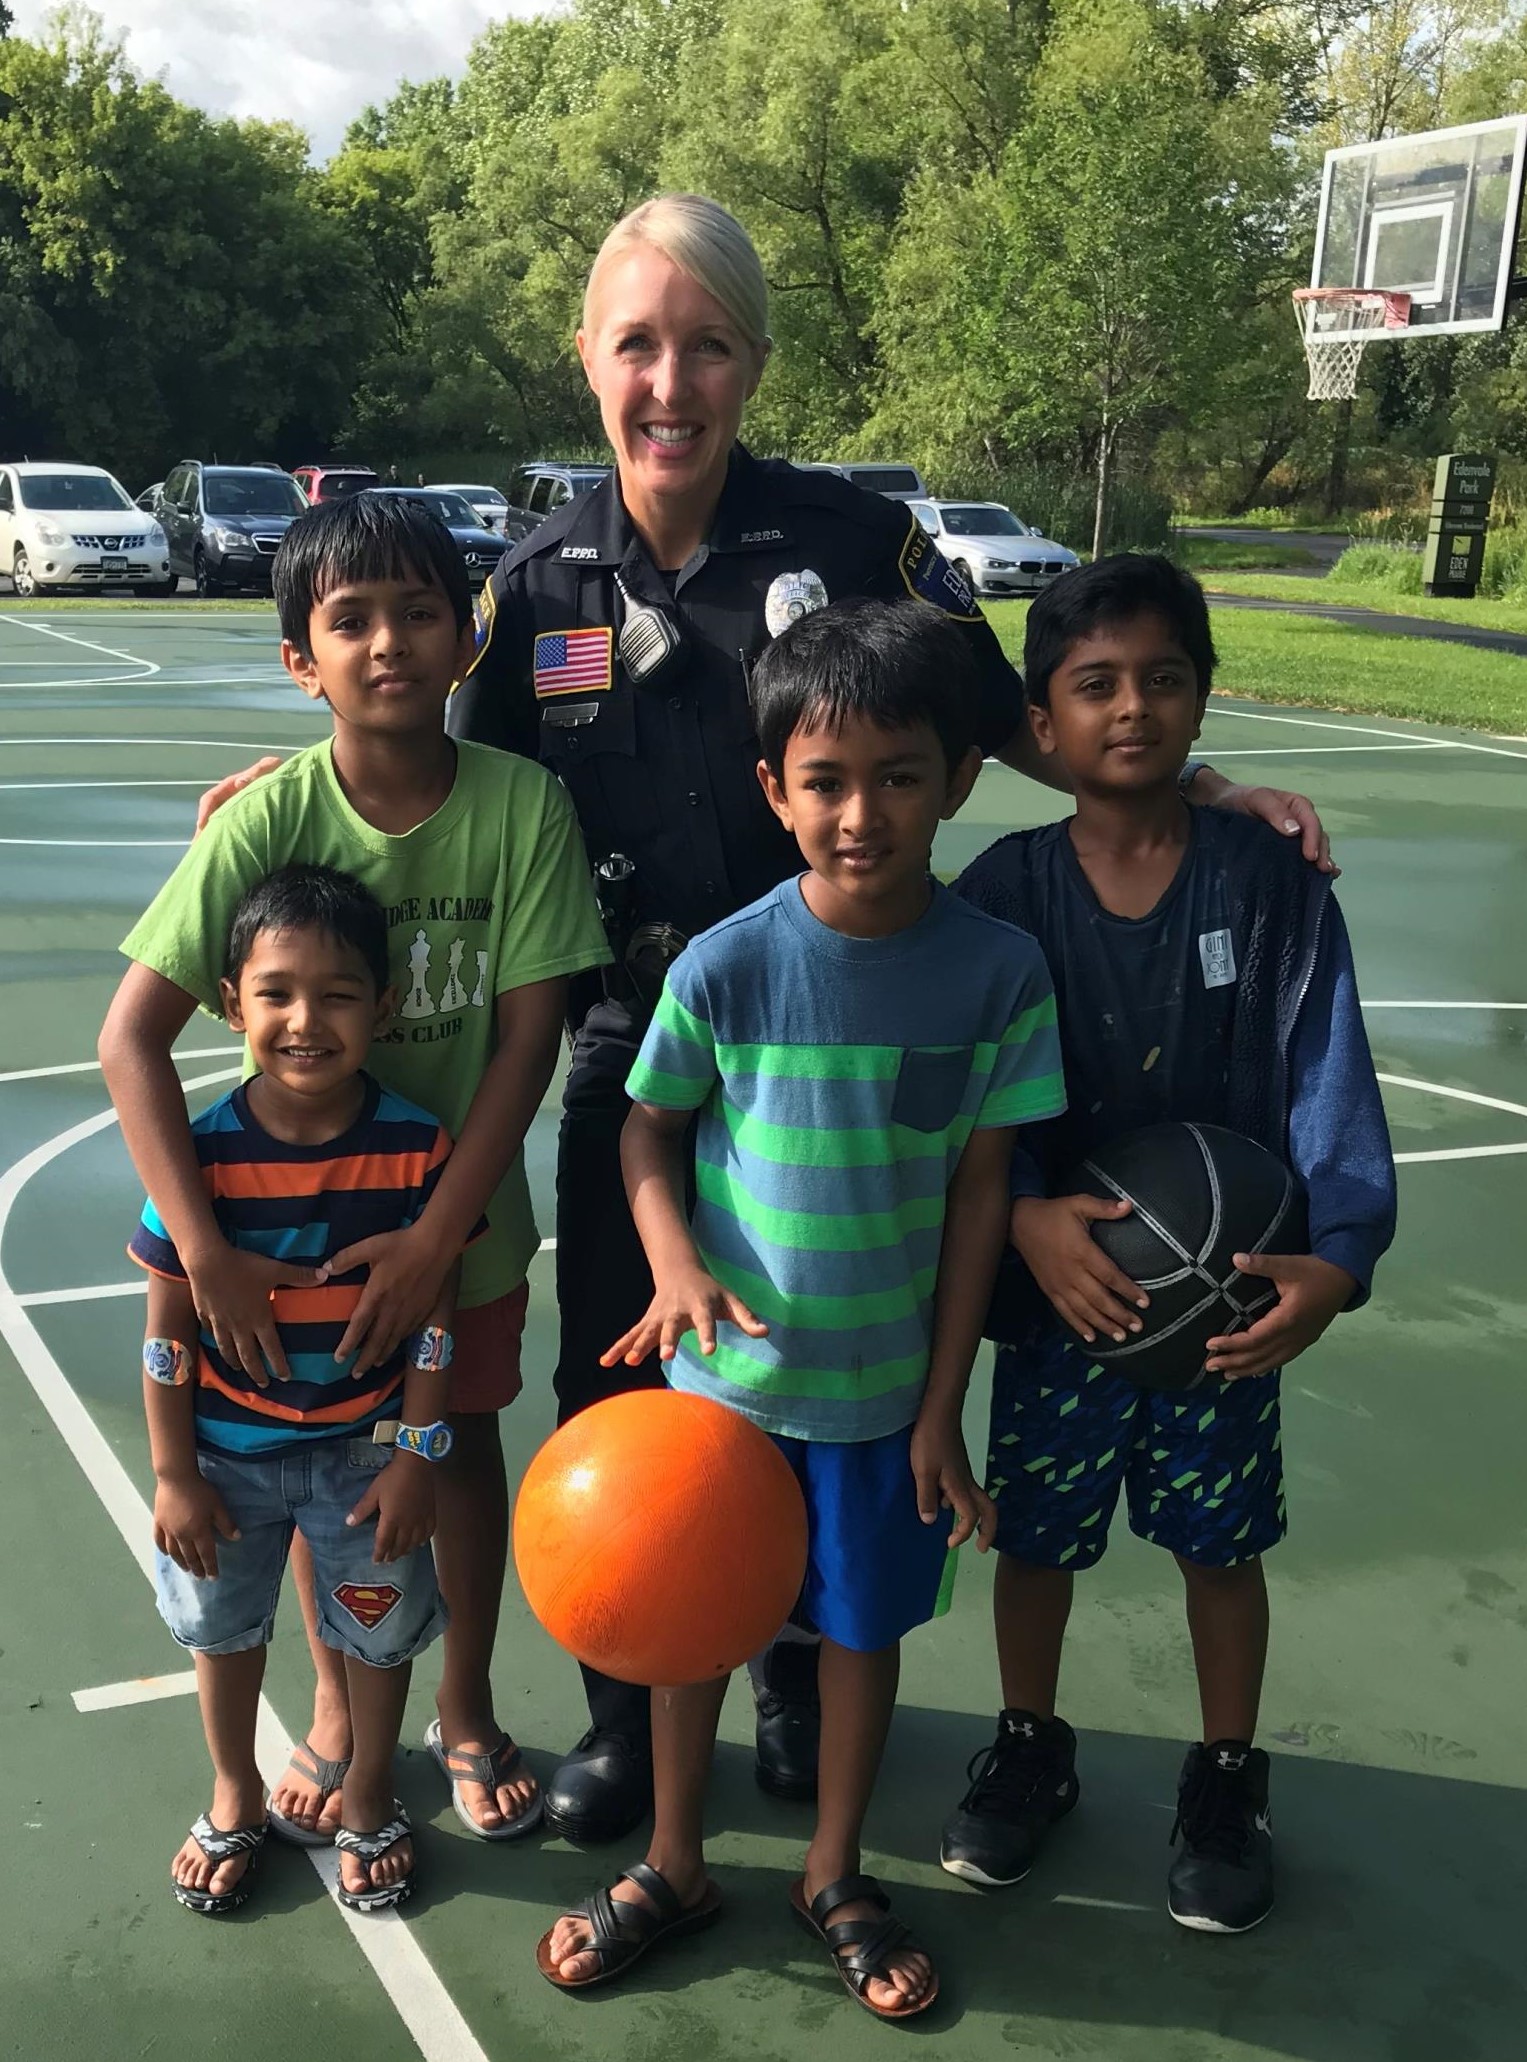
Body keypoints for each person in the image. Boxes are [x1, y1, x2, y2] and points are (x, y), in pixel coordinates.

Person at [193, 194, 1332, 1842]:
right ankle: (622, 1684)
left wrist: (1198, 781)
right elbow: (425, 742)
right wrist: (288, 792)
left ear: (753, 363)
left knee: (818, 1370)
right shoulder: (536, 579)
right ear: (587, 360)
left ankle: (794, 1668)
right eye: (638, 344)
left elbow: (984, 704)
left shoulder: (851, 547)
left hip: (834, 1038)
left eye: (707, 344)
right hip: (635, 1044)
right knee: (624, 1379)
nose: (673, 379)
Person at [536, 596, 1064, 2015]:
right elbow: (645, 1131)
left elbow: (977, 1194)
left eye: (899, 776)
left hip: (883, 1394)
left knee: (855, 1636)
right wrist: (673, 1266)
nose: (861, 812)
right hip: (719, 1389)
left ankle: (832, 1869)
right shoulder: (726, 960)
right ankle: (672, 1856)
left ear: (959, 778)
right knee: (691, 1625)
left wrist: (940, 1406)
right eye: (823, 780)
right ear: (772, 790)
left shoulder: (997, 971)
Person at [98, 494, 610, 1849]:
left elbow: (527, 1035)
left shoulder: (524, 807)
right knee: (319, 1463)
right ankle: (339, 1706)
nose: (388, 641)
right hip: (279, 1248)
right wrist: (205, 1250)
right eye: (350, 619)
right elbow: (130, 1037)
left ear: (463, 639)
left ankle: (464, 1704)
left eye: (420, 612)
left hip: (456, 1232)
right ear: (299, 659)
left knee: (445, 1458)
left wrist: (441, 1231)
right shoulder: (268, 819)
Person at [942, 555, 1397, 1935]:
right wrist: (1021, 1208)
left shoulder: (1268, 884)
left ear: (1200, 699)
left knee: (1218, 1548)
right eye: (1093, 685)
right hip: (1060, 1303)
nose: (1129, 708)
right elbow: (963, 1099)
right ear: (1041, 717)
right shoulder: (1003, 890)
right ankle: (1029, 1741)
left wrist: (1334, 1251)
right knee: (1035, 1541)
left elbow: (1328, 1074)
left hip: (1224, 1303)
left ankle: (1222, 1776)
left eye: (1160, 679)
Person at [131, 864, 463, 1915]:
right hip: (228, 1460)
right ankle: (233, 1788)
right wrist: (175, 1472)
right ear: (231, 1002)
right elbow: (166, 1336)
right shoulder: (199, 1155)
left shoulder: (417, 1147)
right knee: (225, 1632)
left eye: (337, 993)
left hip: (368, 1458)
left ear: (386, 1004)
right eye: (275, 992)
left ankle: (368, 1792)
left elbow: (436, 1328)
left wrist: (419, 1460)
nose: (304, 1020)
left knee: (378, 1631)